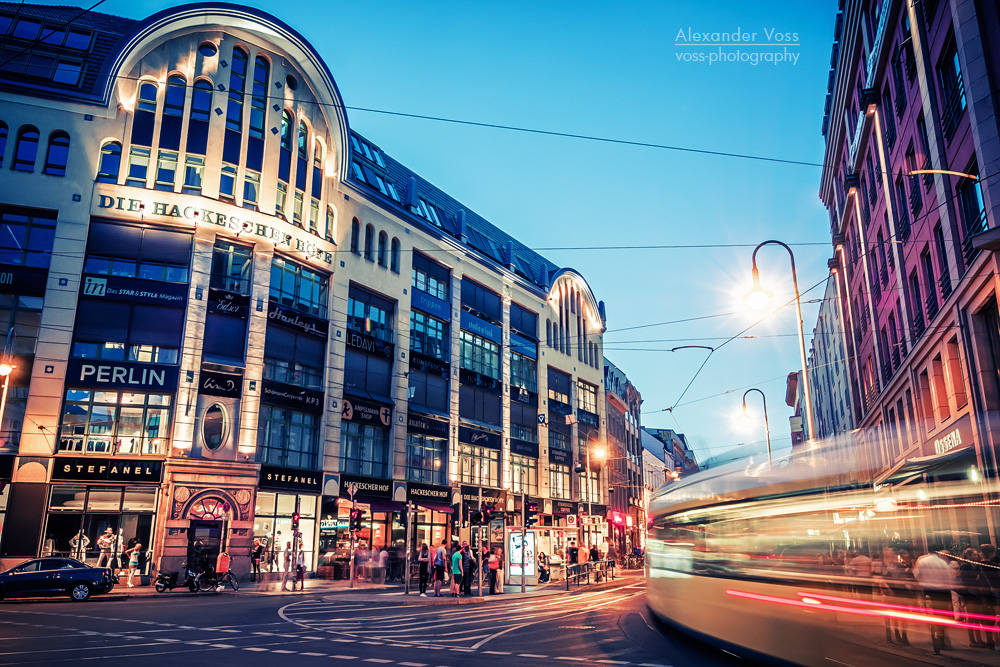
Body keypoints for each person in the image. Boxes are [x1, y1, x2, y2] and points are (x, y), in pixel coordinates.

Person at [913, 545, 954, 655]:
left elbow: (916, 575)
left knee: (931, 616)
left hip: (928, 590)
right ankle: (941, 638)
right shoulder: (942, 563)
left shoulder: (922, 561)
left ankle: (934, 636)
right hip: (942, 592)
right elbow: (948, 579)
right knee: (943, 616)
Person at [957, 548, 987, 648]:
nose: (976, 557)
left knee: (976, 618)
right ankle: (972, 640)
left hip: (975, 593)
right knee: (971, 618)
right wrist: (976, 576)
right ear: (968, 556)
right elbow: (964, 578)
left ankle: (978, 639)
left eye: (976, 555)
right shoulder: (965, 566)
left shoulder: (974, 565)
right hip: (970, 594)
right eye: (974, 555)